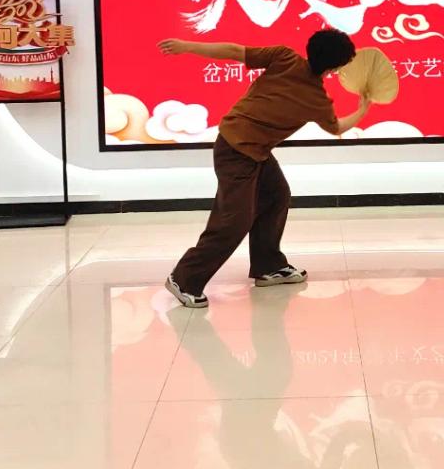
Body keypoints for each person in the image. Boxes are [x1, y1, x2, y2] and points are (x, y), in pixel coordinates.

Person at [158, 29, 371, 308]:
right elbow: (338, 127)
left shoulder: (284, 57)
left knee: (275, 195)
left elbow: (234, 51)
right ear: (333, 68)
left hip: (252, 149)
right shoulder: (317, 98)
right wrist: (364, 108)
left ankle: (268, 265)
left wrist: (187, 45)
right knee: (234, 221)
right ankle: (184, 278)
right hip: (236, 152)